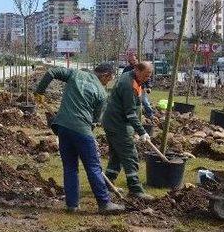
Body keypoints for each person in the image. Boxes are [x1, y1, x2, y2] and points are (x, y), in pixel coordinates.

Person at [36, 63, 124, 214]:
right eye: (109, 79)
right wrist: (87, 133)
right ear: (105, 76)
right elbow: (95, 120)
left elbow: (52, 71)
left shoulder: (75, 74)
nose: (108, 82)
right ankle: (104, 203)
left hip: (62, 127)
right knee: (93, 167)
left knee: (70, 167)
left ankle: (72, 205)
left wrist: (40, 91)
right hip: (82, 129)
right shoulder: (102, 93)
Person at [102, 61, 155, 200]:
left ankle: (107, 183)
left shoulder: (132, 77)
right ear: (137, 70)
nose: (147, 78)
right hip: (118, 124)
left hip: (113, 121)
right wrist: (142, 131)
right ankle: (136, 190)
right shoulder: (128, 84)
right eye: (145, 75)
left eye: (149, 75)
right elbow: (130, 113)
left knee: (117, 155)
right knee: (130, 156)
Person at [123, 53, 154, 118]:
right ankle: (134, 115)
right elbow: (123, 77)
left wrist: (149, 87)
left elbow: (147, 78)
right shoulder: (127, 68)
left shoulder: (142, 67)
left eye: (134, 60)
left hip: (140, 88)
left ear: (137, 59)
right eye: (131, 60)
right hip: (130, 89)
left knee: (145, 102)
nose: (132, 61)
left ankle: (150, 114)